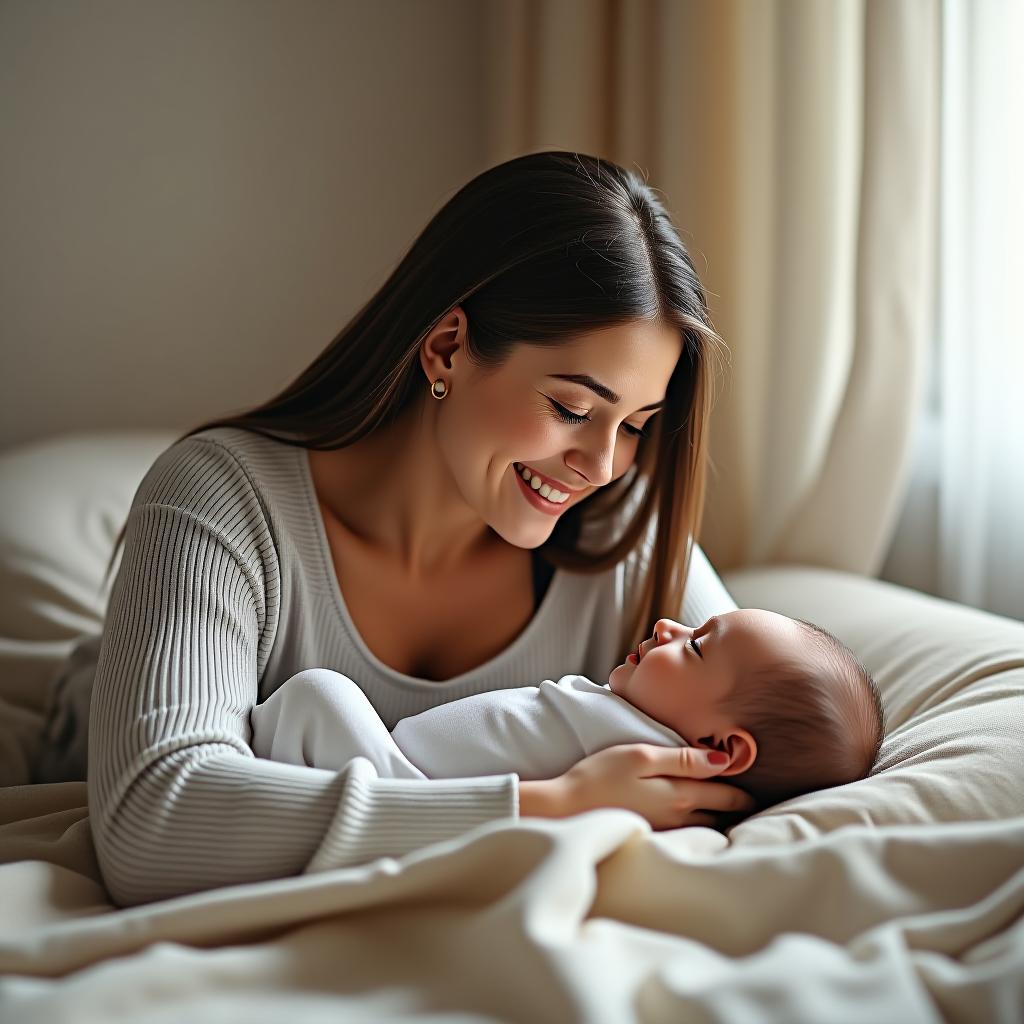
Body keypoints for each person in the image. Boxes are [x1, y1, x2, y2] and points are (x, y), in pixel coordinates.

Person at [35, 151, 759, 907]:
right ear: (447, 347)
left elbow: (772, 732)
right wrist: (546, 807)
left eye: (636, 426)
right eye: (572, 410)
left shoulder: (628, 550)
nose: (601, 465)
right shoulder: (225, 499)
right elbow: (154, 823)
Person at [250, 610, 885, 835]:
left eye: (693, 645)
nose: (670, 625)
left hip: (404, 784)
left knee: (318, 694)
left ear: (720, 747)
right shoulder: (644, 737)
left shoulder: (644, 753)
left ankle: (263, 778)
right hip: (400, 778)